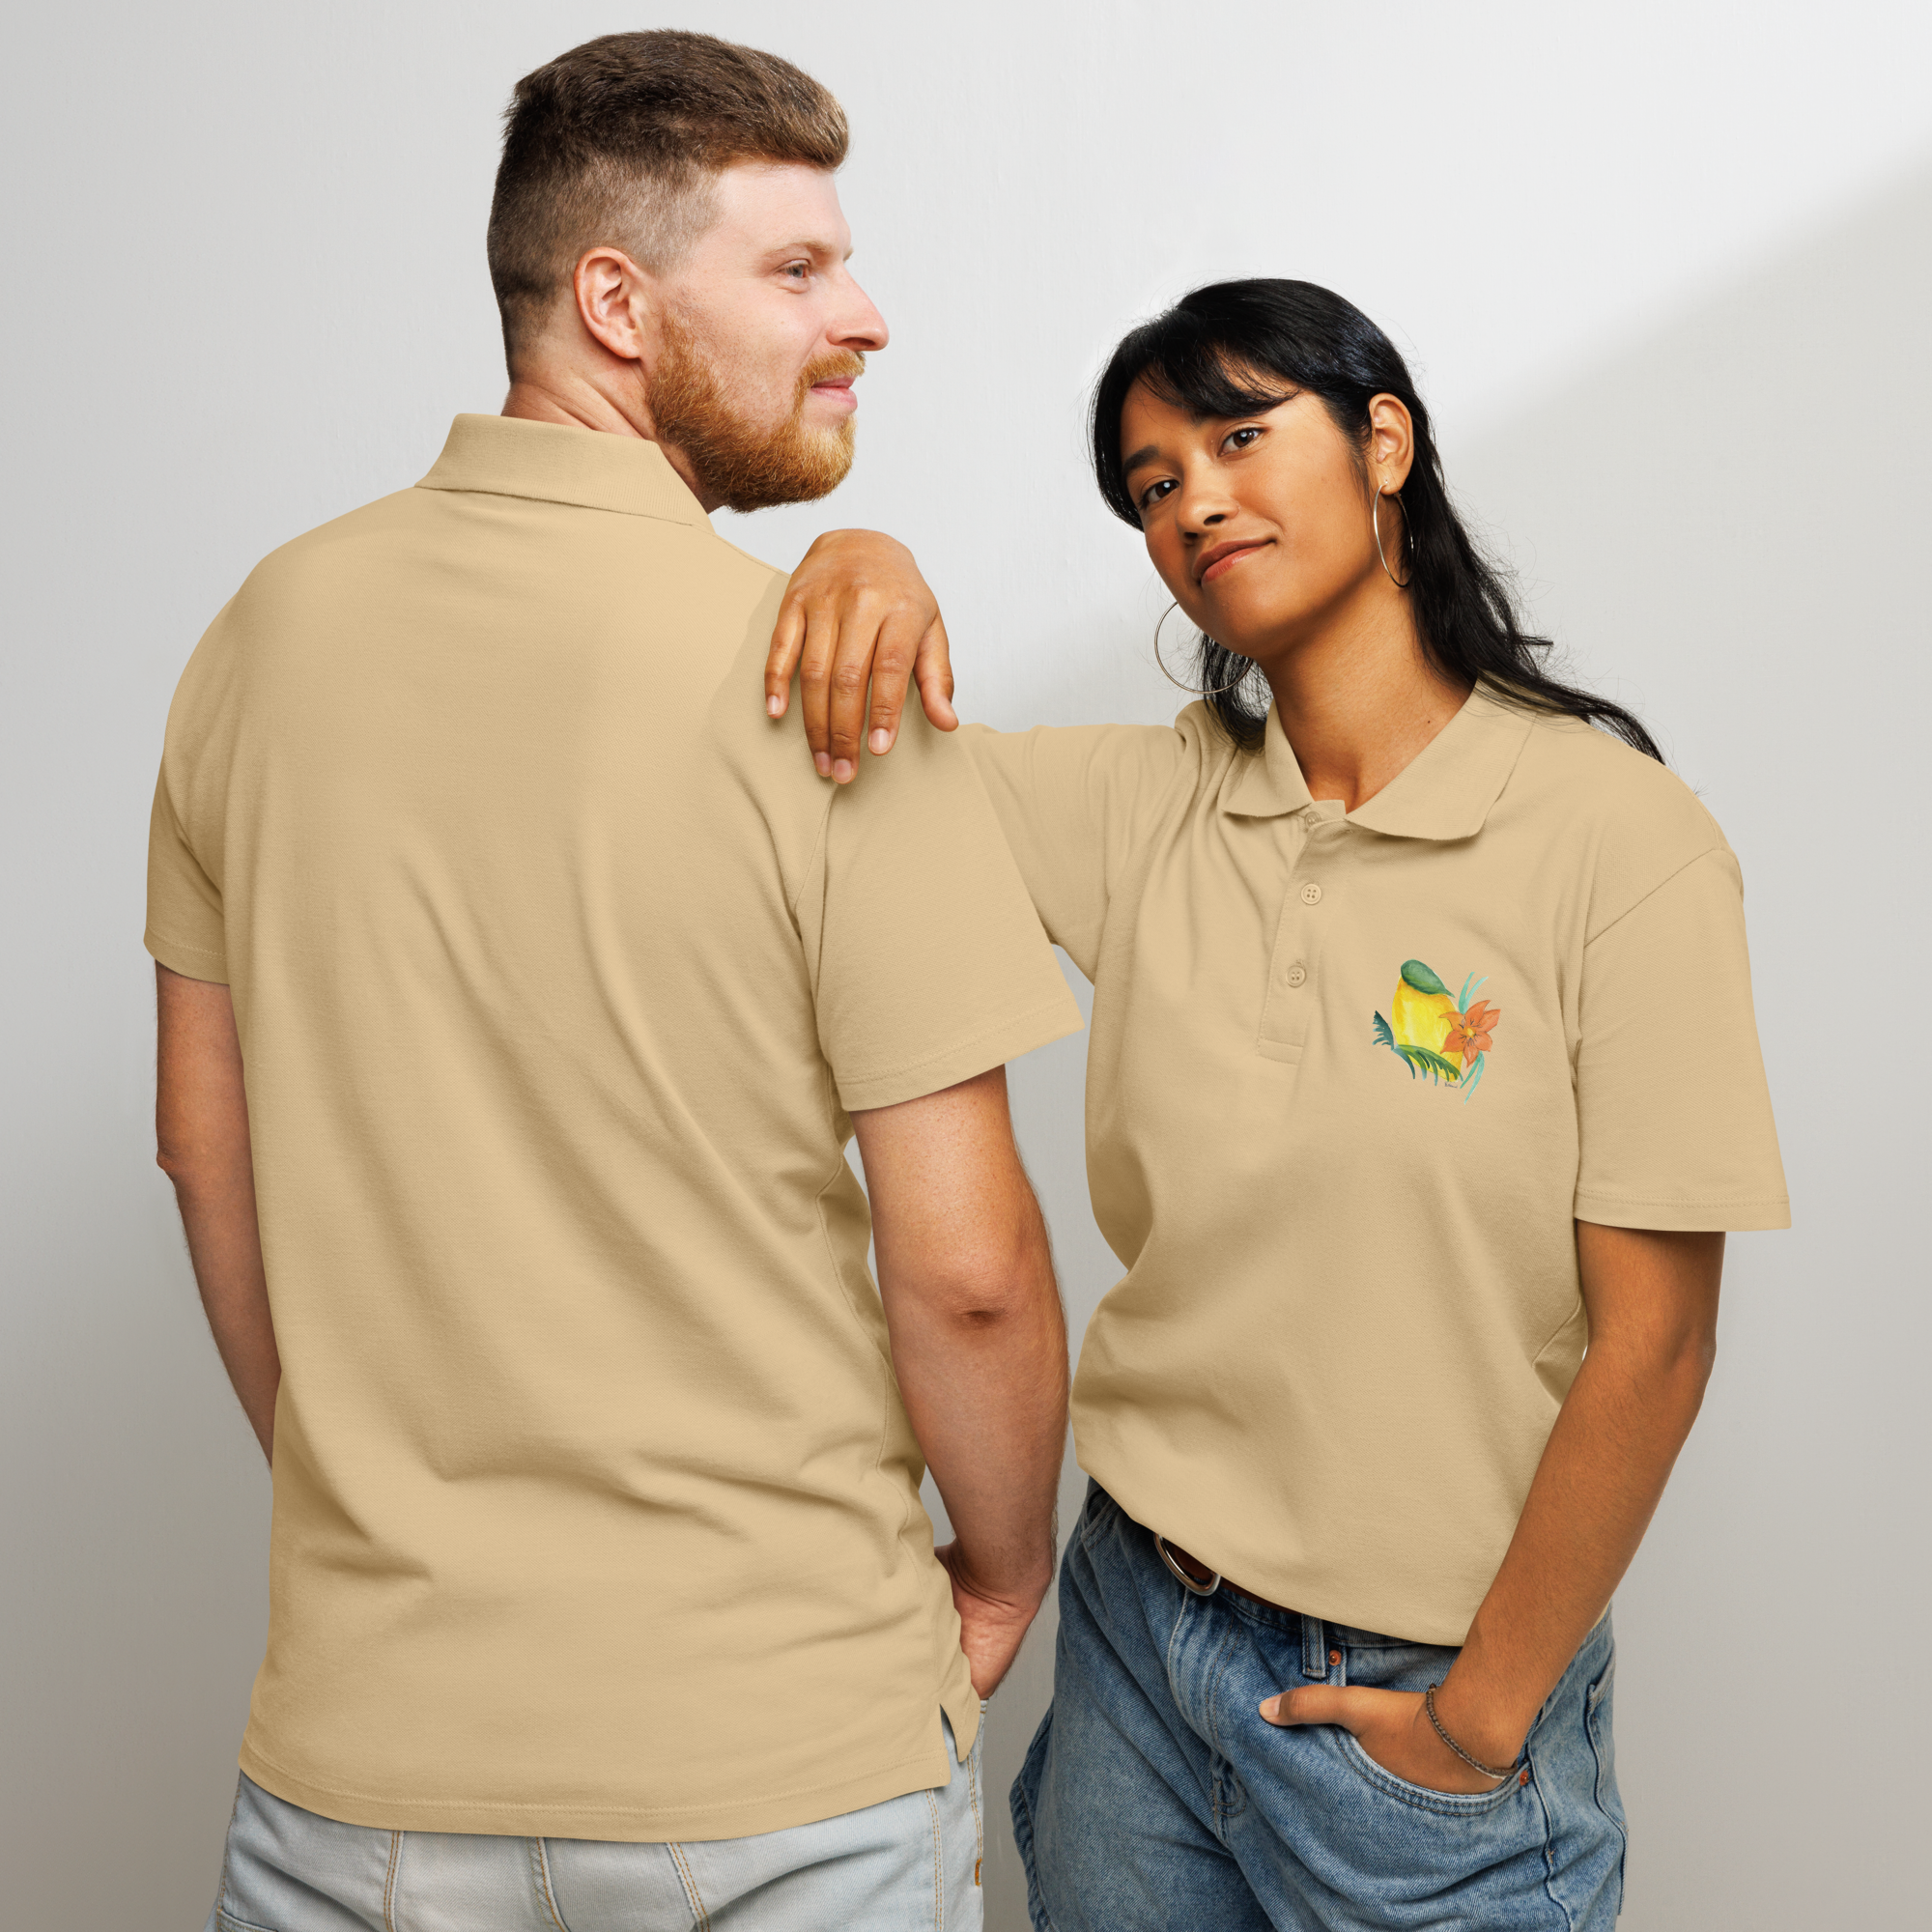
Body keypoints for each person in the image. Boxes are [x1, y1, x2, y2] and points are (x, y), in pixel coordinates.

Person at [150, 31, 1080, 1932]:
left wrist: (371, 1512)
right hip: (781, 1769)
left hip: (362, 1759)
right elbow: (969, 1267)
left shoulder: (261, 634)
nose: (865, 316)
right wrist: (1000, 1575)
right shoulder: (837, 686)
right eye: (798, 268)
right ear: (616, 305)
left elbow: (202, 1149)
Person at [765, 278, 1788, 1929]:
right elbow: (857, 764)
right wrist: (861, 557)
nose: (1194, 502)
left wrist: (1479, 1721)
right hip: (1135, 1641)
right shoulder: (1148, 806)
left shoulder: (1621, 843)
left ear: (1385, 442)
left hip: (1425, 1706)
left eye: (1240, 437)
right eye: (1154, 482)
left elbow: (1656, 1344)